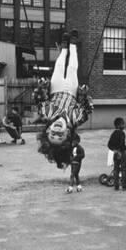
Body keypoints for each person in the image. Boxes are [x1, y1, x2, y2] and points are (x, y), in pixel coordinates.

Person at [35, 29, 93, 168]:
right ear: (68, 134)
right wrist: (84, 94)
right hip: (72, 90)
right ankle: (73, 43)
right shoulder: (75, 120)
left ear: (47, 131)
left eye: (52, 135)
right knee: (73, 67)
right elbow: (87, 108)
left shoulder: (46, 114)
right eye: (60, 136)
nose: (56, 132)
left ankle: (64, 46)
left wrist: (42, 87)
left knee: (59, 66)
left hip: (56, 87)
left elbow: (40, 99)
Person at [108, 117, 126, 191]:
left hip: (115, 153)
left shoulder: (113, 133)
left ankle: (116, 186)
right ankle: (124, 186)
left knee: (116, 169)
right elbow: (121, 143)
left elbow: (109, 144)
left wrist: (115, 150)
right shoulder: (122, 133)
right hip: (121, 152)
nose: (124, 126)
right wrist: (120, 151)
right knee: (124, 169)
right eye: (122, 124)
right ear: (118, 125)